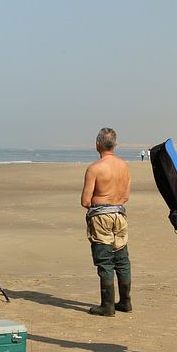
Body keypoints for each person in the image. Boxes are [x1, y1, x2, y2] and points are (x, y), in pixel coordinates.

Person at [80, 127, 132, 316]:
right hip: (120, 214)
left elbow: (85, 201)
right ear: (115, 145)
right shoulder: (124, 166)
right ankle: (125, 301)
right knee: (122, 258)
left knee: (104, 260)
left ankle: (108, 305)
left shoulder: (95, 168)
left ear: (97, 145)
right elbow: (125, 196)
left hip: (101, 215)